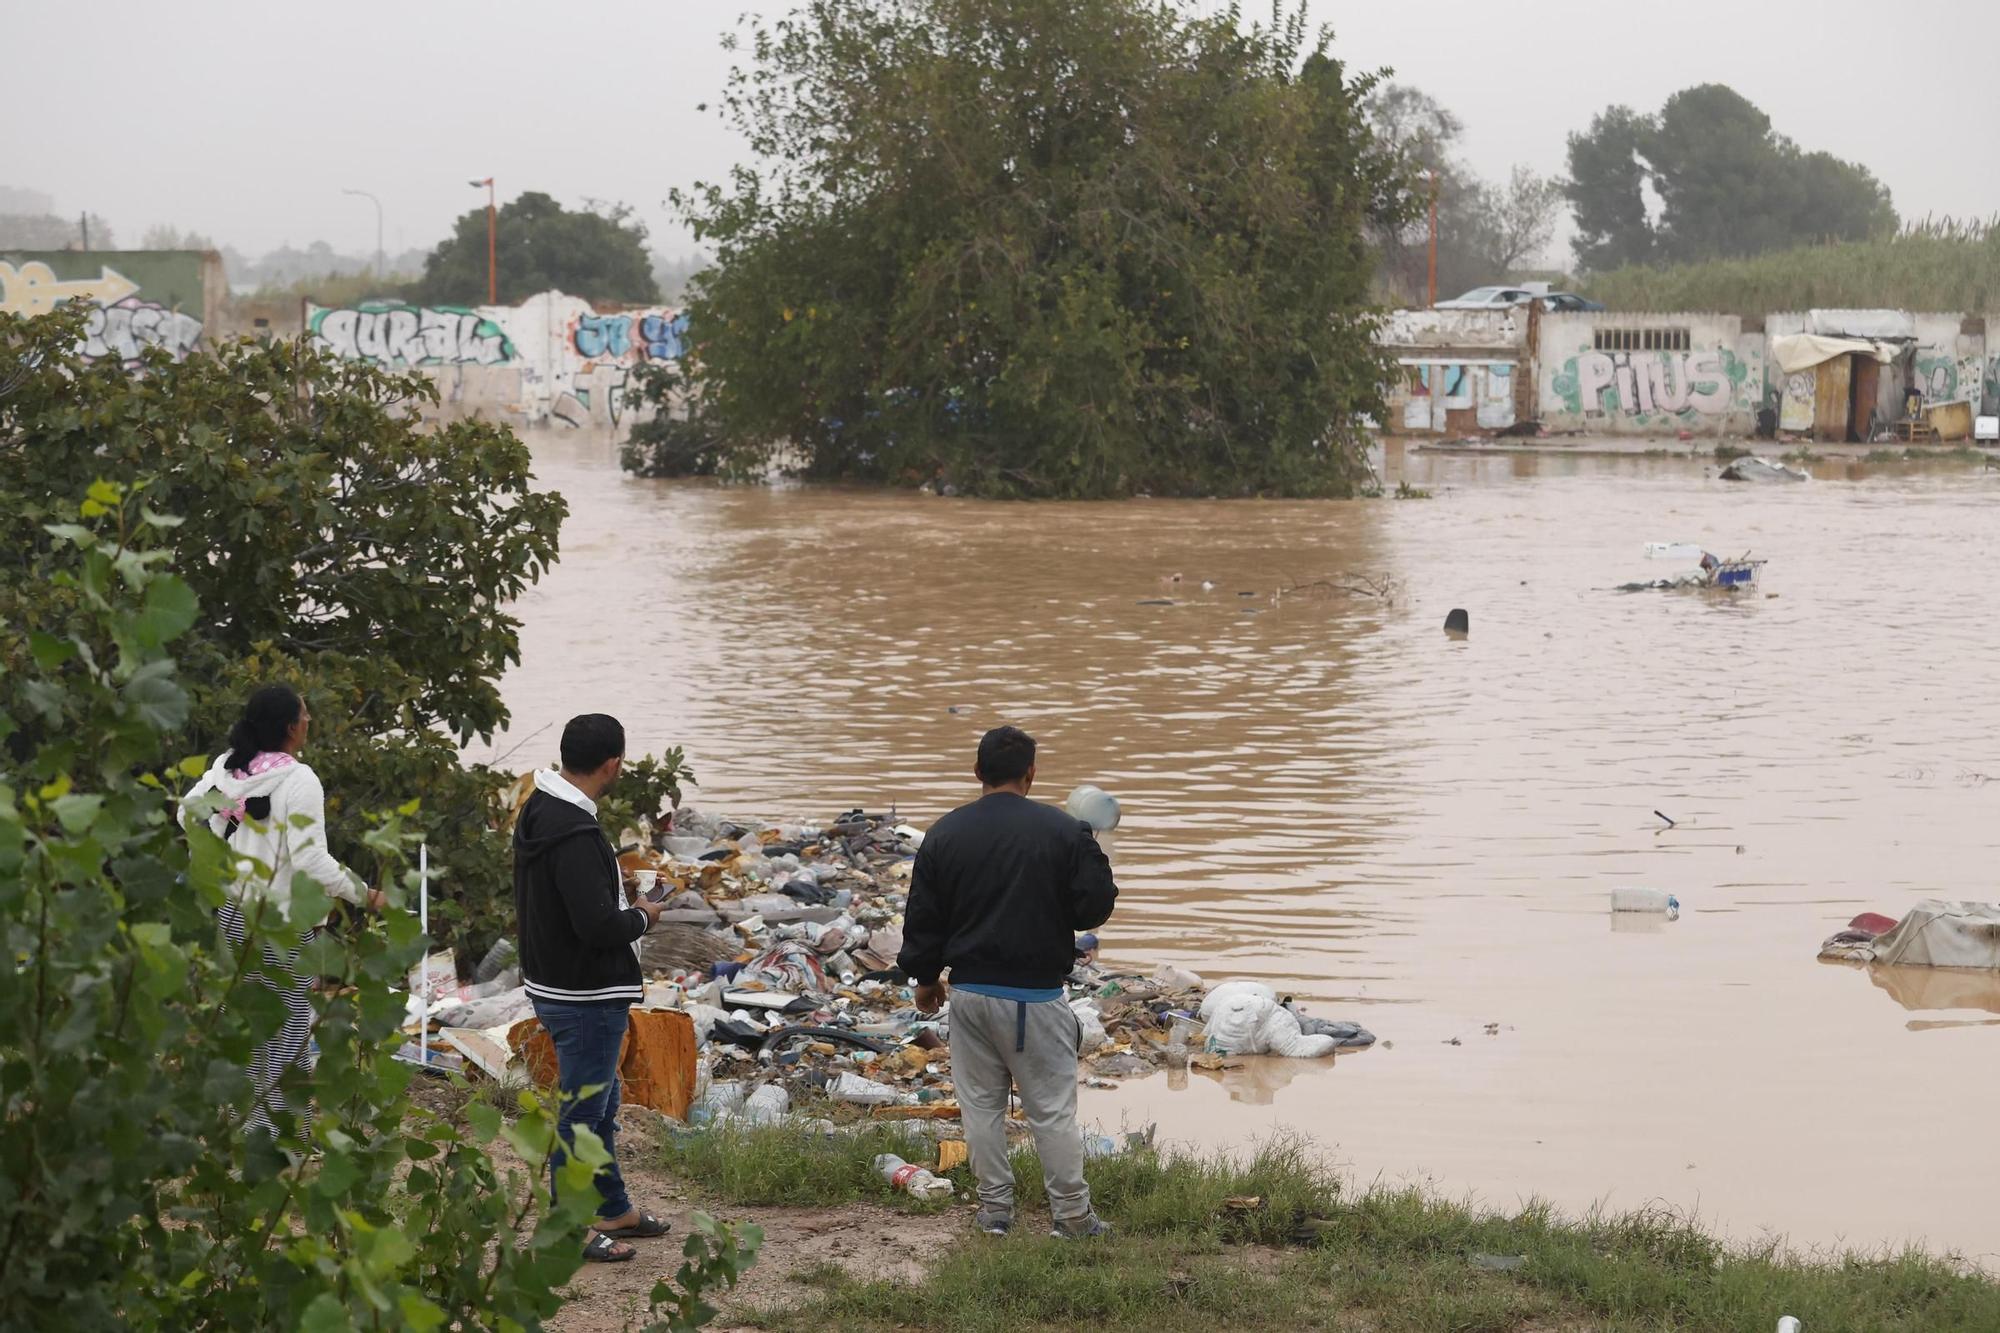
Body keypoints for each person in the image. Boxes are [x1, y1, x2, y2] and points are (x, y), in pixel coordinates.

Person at [899, 725, 1119, 1239]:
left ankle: (995, 1210)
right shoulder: (1065, 831)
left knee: (980, 1107)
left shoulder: (945, 833)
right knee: (1052, 1113)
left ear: (977, 773)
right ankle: (1072, 1216)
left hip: (970, 995)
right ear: (1031, 773)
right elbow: (1094, 909)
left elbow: (924, 917)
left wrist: (927, 978)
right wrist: (1091, 849)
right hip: (1036, 999)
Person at [182, 684, 381, 1139]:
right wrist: (365, 894)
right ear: (291, 727)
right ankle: (283, 1133)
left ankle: (247, 1124)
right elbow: (313, 862)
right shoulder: (298, 780)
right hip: (285, 922)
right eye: (306, 715)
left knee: (249, 1018)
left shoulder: (228, 767)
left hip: (235, 914)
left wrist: (227, 820)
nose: (310, 721)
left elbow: (185, 814)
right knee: (290, 1027)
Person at [513, 713, 671, 1264]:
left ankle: (612, 1208)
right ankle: (568, 1227)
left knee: (601, 1104)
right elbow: (598, 927)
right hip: (585, 991)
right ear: (613, 764)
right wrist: (644, 915)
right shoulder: (576, 832)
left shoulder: (541, 808)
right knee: (583, 1110)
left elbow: (570, 898)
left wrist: (613, 888)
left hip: (553, 980)